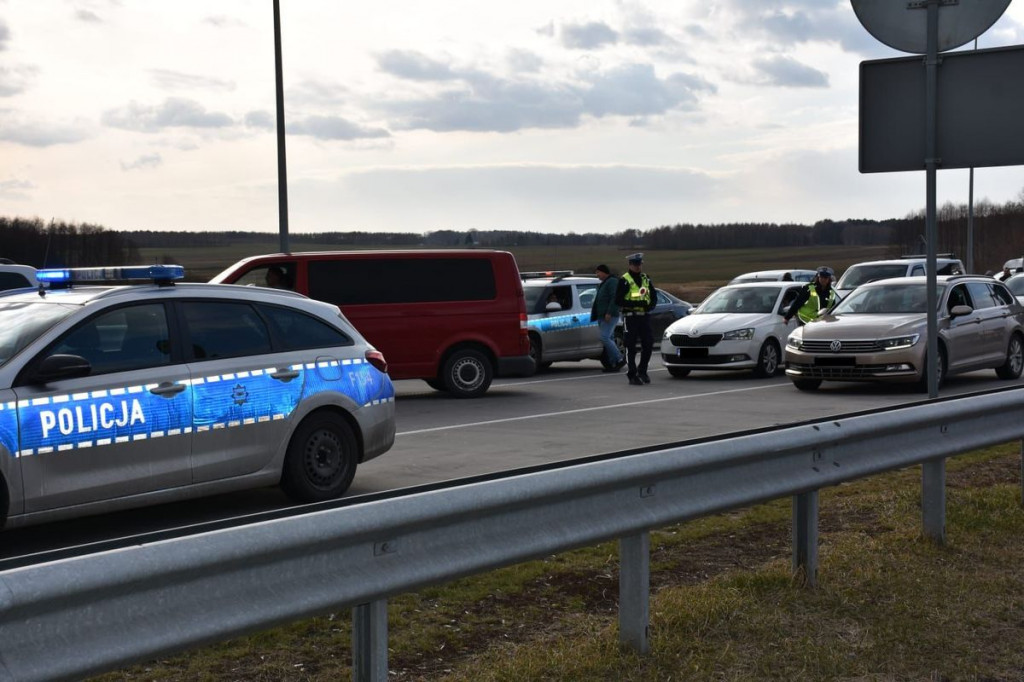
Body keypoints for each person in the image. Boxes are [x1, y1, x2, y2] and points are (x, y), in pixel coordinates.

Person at [615, 253, 657, 385]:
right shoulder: (624, 280)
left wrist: (650, 306)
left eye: (639, 264)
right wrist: (637, 305)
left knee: (649, 344)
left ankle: (642, 371)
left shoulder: (646, 278)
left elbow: (653, 296)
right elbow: (618, 300)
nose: (638, 267)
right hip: (630, 318)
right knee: (630, 346)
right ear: (630, 265)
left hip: (644, 317)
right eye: (635, 264)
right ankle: (632, 374)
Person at [592, 264, 625, 373]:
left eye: (598, 272)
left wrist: (609, 312)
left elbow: (614, 297)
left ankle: (620, 358)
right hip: (602, 315)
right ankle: (613, 364)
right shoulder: (604, 283)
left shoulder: (612, 282)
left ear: (604, 272)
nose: (597, 275)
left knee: (604, 337)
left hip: (609, 315)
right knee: (609, 338)